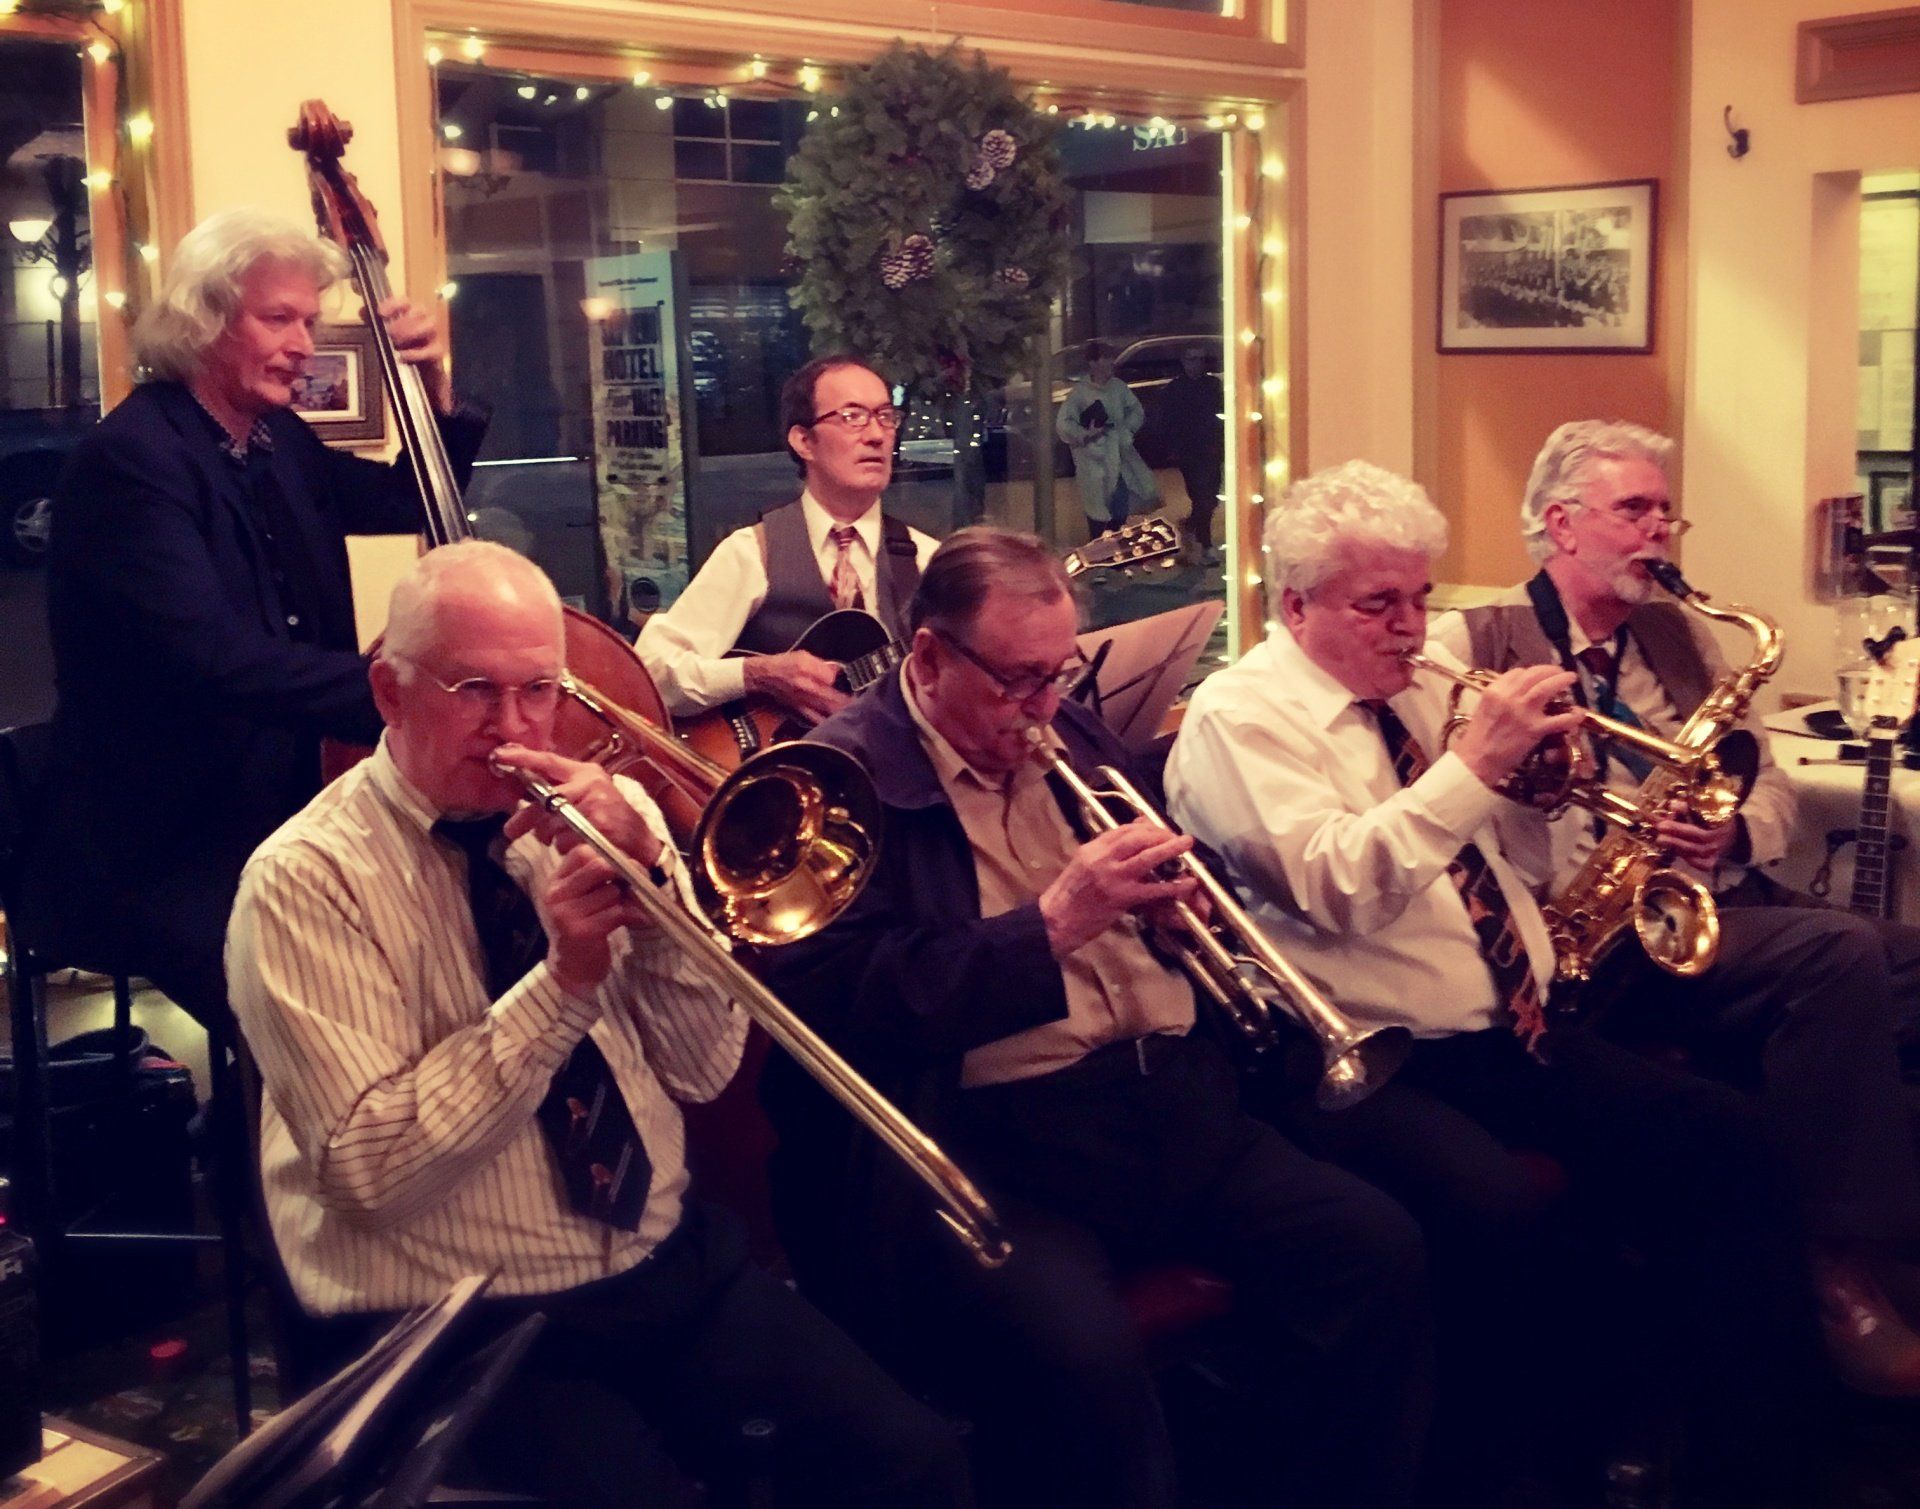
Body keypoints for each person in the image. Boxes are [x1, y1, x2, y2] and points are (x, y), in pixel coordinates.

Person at [226, 541, 970, 1509]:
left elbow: (703, 1072)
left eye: (539, 690)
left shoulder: (607, 816)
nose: (514, 726)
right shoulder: (303, 881)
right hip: (451, 1315)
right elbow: (370, 1175)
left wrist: (657, 888)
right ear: (390, 691)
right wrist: (561, 985)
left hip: (661, 1259)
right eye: (474, 691)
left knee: (915, 1462)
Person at [1164, 461, 1823, 1506]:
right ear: (1294, 606)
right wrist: (1471, 767)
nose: (1411, 627)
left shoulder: (1422, 686)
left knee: (1732, 1142)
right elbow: (1339, 886)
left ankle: (1745, 1465)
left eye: (1421, 597)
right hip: (1368, 1052)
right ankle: (1499, 1469)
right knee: (1493, 1206)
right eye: (1379, 603)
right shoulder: (1240, 718)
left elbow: (1510, 833)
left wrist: (1557, 783)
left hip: (1509, 1016)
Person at [759, 526, 1433, 1509]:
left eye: (1059, 674)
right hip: (995, 1144)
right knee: (1084, 1360)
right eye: (1019, 681)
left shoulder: (1065, 727)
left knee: (1376, 1251)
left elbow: (1147, 877)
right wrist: (1052, 925)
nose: (1043, 709)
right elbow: (845, 1002)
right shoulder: (839, 781)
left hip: (1171, 1100)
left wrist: (1177, 912)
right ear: (930, 657)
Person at [21, 207, 486, 1032]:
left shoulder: (274, 438)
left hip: (282, 797)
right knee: (328, 1023)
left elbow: (402, 497)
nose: (306, 344)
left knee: (441, 947)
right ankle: (295, 1151)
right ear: (203, 321)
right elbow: (214, 658)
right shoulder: (133, 458)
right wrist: (410, 691)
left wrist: (434, 393)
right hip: (169, 831)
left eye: (309, 320)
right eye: (279, 319)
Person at [634, 354, 937, 726]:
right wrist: (757, 675)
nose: (876, 435)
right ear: (803, 441)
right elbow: (651, 668)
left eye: (886, 417)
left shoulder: (930, 563)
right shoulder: (753, 552)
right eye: (852, 416)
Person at [1054, 341, 1158, 539]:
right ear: (1093, 363)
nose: (1110, 363)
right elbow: (1063, 425)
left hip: (1119, 459)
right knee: (1098, 515)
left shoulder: (1118, 388)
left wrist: (1126, 431)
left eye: (1111, 358)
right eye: (1105, 358)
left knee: (1119, 512)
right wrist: (1086, 434)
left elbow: (1136, 411)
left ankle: (1115, 559)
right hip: (1094, 464)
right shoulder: (1080, 393)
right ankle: (1100, 561)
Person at [1153, 345, 1224, 565]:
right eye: (1192, 359)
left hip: (1211, 449)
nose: (1197, 364)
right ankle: (1206, 544)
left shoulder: (1213, 385)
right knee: (1201, 495)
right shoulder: (1175, 389)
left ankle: (1192, 525)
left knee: (1210, 498)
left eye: (1200, 359)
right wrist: (1174, 449)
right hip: (1189, 452)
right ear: (1184, 361)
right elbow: (1167, 422)